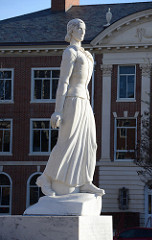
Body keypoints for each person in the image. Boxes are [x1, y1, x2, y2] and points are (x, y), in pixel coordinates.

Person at [36, 18, 105, 197]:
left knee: (90, 143)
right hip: (72, 101)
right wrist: (58, 110)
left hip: (85, 101)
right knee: (67, 142)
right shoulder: (70, 52)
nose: (82, 31)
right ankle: (45, 178)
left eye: (84, 28)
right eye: (79, 28)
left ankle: (85, 181)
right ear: (71, 31)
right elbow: (63, 82)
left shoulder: (87, 54)